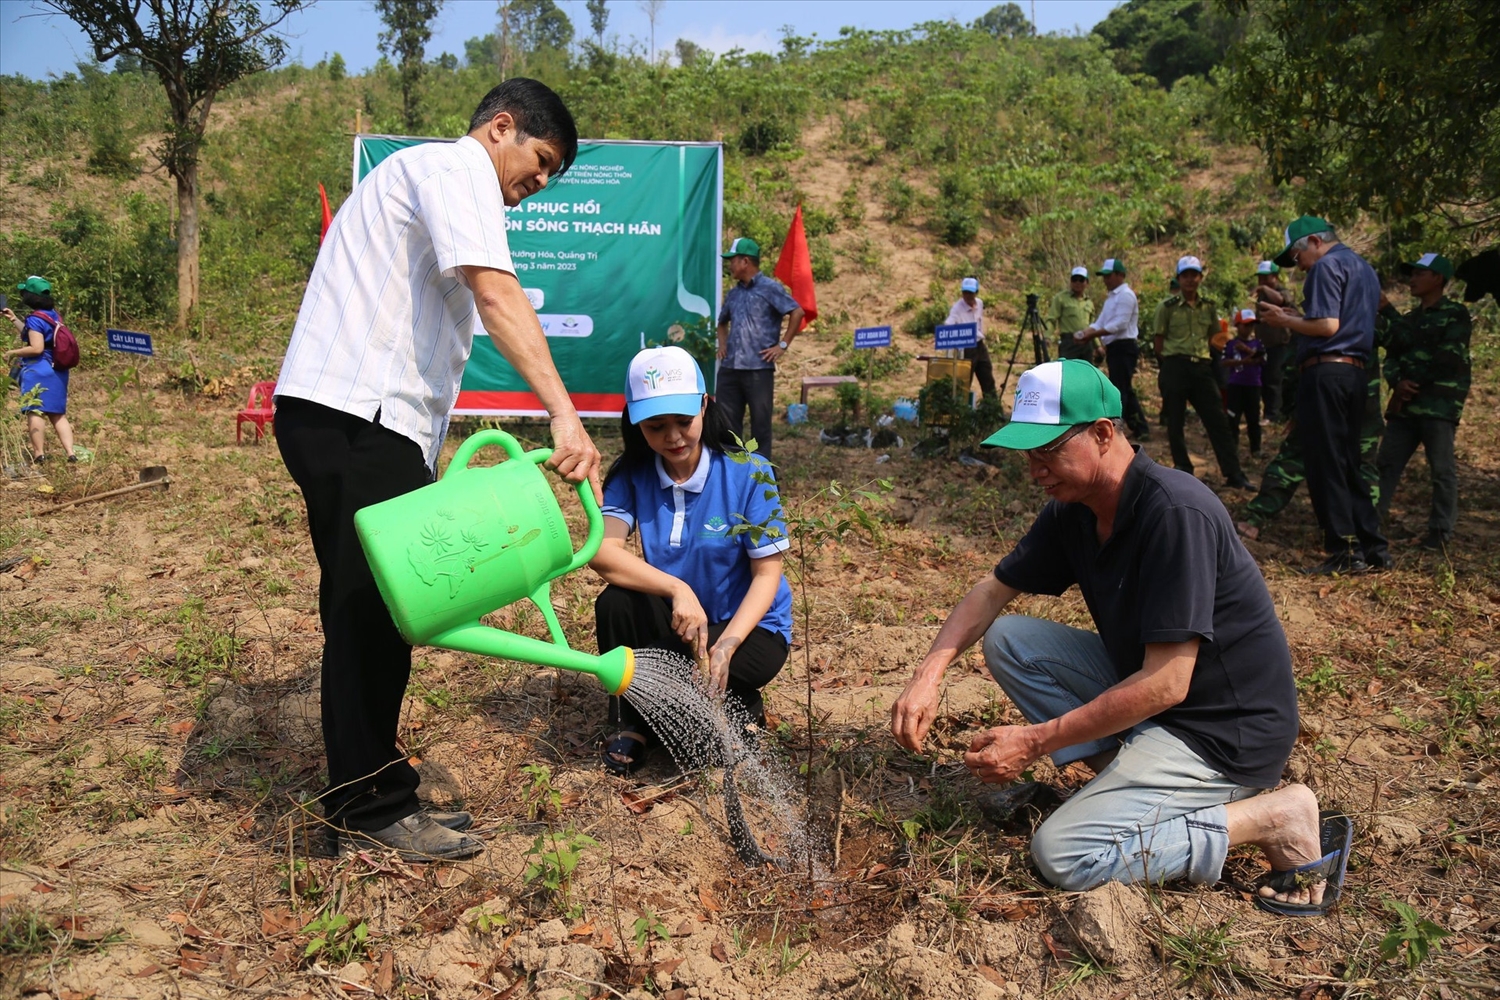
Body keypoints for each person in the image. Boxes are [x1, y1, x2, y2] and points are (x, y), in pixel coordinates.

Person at [273, 78, 602, 862]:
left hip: (361, 421)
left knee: (379, 609)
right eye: (542, 159)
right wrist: (561, 411)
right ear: (501, 127)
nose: (540, 182)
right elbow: (497, 294)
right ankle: (370, 809)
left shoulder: (424, 178)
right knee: (370, 612)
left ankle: (377, 788)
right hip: (357, 418)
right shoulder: (454, 172)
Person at [889, 359, 1348, 915]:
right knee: (1011, 639)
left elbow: (1167, 684)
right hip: (1162, 711)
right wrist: (928, 672)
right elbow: (992, 591)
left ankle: (1273, 816)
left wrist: (1036, 742)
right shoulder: (1076, 508)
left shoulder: (1175, 512)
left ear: (1103, 433)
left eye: (1048, 450)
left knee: (1063, 854)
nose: (1035, 469)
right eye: (1027, 454)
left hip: (1224, 734)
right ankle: (1129, 787)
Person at [592, 346, 792, 774]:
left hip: (749, 628)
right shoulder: (631, 474)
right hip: (678, 621)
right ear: (634, 421)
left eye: (684, 421)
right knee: (615, 603)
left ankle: (732, 702)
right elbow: (604, 553)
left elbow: (767, 573)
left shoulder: (749, 472)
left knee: (699, 737)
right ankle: (632, 721)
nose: (673, 437)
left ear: (705, 404)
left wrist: (728, 645)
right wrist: (676, 589)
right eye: (656, 426)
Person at [1260, 216, 1390, 575]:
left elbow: (1327, 326)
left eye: (1298, 256)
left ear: (1315, 241)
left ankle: (1343, 552)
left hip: (1326, 373)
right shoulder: (1363, 268)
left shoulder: (1325, 267)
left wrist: (1285, 321)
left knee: (1325, 461)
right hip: (1356, 373)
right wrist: (1297, 315)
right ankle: (1373, 547)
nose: (1299, 265)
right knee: (1350, 461)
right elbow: (1339, 322)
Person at [1375, 253, 1472, 552]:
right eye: (1411, 273)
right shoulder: (1408, 320)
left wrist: (1410, 382)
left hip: (1439, 406)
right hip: (1406, 408)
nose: (1412, 279)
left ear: (1438, 279)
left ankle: (1440, 533)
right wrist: (1397, 382)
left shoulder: (1455, 315)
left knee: (1442, 471)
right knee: (1385, 466)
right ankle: (1370, 524)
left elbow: (1447, 358)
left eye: (1419, 273)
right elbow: (1391, 355)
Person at [1152, 256, 1252, 489]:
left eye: (1194, 275)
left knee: (1218, 421)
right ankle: (1183, 468)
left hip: (1202, 368)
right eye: (1185, 275)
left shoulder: (1209, 307)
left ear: (1200, 278)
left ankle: (1233, 472)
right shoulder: (1166, 308)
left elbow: (1216, 339)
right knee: (1175, 421)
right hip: (1175, 366)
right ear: (1178, 278)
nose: (1190, 279)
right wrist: (1168, 365)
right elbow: (1159, 342)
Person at [716, 237, 804, 461]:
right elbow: (722, 321)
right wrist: (723, 345)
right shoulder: (733, 293)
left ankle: (762, 482)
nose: (729, 265)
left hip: (758, 369)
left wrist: (782, 345)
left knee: (760, 428)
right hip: (730, 369)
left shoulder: (770, 288)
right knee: (727, 428)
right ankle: (733, 477)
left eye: (732, 261)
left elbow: (797, 312)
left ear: (745, 261)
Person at [3, 276, 77, 464]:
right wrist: (14, 320)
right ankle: (71, 453)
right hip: (58, 369)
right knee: (58, 414)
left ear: (29, 296)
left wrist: (13, 352)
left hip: (39, 368)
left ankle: (39, 455)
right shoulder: (53, 315)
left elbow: (36, 347)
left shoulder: (35, 318)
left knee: (35, 411)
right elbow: (37, 336)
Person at [1073, 258, 1150, 440]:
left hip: (1124, 346)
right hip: (1115, 347)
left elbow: (1119, 324)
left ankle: (1116, 430)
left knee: (1119, 389)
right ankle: (1140, 427)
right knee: (1124, 387)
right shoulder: (1112, 297)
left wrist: (1091, 335)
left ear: (1120, 275)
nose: (1106, 280)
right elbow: (1101, 321)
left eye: (1109, 276)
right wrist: (1086, 332)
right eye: (1104, 276)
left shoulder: (1126, 295)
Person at [1252, 261, 1297, 421]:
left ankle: (1275, 414)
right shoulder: (1262, 297)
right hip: (1264, 344)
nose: (1262, 281)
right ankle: (1269, 412)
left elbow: (1280, 301)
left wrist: (1264, 288)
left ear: (1275, 277)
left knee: (1275, 379)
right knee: (1264, 379)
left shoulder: (1281, 291)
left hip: (1280, 344)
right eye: (1260, 278)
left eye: (1266, 278)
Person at [943, 277, 998, 401]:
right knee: (965, 380)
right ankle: (962, 409)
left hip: (979, 345)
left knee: (987, 375)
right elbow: (948, 324)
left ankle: (992, 408)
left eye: (971, 293)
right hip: (966, 348)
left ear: (976, 292)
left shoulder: (979, 303)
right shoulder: (957, 309)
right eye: (965, 292)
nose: (968, 296)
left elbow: (979, 323)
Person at [1222, 308, 1265, 457]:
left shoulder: (1258, 343)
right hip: (1236, 384)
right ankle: (1232, 449)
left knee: (1253, 418)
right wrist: (1241, 361)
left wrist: (1246, 349)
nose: (1248, 328)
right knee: (1233, 418)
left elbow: (1262, 358)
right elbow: (1224, 362)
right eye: (1245, 325)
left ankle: (1256, 449)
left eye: (1251, 325)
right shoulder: (1230, 343)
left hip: (1253, 385)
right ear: (1238, 325)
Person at [1050, 266, 1097, 362]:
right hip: (1069, 342)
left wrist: (1098, 346)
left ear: (1087, 283)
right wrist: (1047, 336)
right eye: (1074, 279)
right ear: (1071, 282)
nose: (1077, 283)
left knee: (1086, 373)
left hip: (1086, 342)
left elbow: (1093, 327)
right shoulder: (1060, 298)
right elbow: (1052, 318)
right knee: (1068, 372)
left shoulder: (1089, 303)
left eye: (1081, 280)